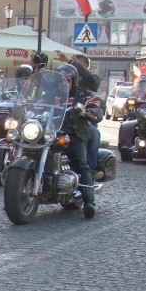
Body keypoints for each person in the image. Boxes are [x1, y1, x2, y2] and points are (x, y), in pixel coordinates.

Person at [55, 64, 97, 219]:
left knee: (81, 162)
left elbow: (95, 106)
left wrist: (90, 112)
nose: (63, 84)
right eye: (60, 81)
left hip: (75, 133)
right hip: (52, 133)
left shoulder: (82, 94)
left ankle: (89, 202)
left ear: (73, 80)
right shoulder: (51, 94)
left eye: (66, 80)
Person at [56, 51, 104, 181]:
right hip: (63, 121)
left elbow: (94, 105)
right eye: (76, 63)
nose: (76, 66)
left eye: (80, 64)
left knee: (94, 133)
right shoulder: (64, 79)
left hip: (83, 121)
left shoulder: (91, 80)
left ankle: (90, 169)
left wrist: (72, 62)